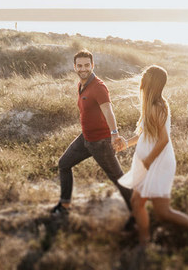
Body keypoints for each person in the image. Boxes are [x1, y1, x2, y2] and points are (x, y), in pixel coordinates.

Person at [118, 65, 188, 248]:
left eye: (144, 78)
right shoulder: (149, 105)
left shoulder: (158, 107)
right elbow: (144, 135)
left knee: (163, 212)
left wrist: (148, 161)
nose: (141, 81)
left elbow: (163, 139)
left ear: (151, 83)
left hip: (157, 163)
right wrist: (126, 144)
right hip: (148, 162)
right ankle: (144, 243)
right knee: (137, 203)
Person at [51, 50, 135, 226]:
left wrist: (114, 134)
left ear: (92, 65)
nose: (83, 69)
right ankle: (64, 205)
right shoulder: (81, 85)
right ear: (75, 67)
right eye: (80, 65)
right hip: (86, 139)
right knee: (64, 164)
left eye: (86, 65)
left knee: (118, 178)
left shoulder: (98, 87)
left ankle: (138, 214)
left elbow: (108, 111)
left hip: (101, 142)